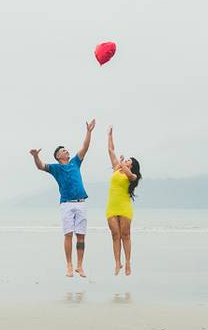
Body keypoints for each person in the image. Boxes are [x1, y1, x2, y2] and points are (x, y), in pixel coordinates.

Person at [30, 119, 96, 277]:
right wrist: (35, 156)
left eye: (67, 150)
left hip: (81, 203)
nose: (67, 152)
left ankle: (80, 266)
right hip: (66, 204)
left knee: (81, 236)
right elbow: (40, 166)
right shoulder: (56, 168)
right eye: (64, 151)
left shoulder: (75, 163)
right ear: (58, 156)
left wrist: (89, 132)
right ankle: (69, 265)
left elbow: (85, 147)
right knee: (68, 234)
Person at [105, 126, 141, 275]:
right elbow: (110, 150)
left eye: (128, 161)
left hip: (125, 207)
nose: (126, 161)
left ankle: (127, 263)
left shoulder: (133, 176)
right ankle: (117, 263)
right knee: (115, 235)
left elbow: (128, 174)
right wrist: (110, 135)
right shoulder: (116, 168)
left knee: (125, 235)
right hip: (112, 206)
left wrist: (122, 164)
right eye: (126, 160)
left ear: (132, 166)